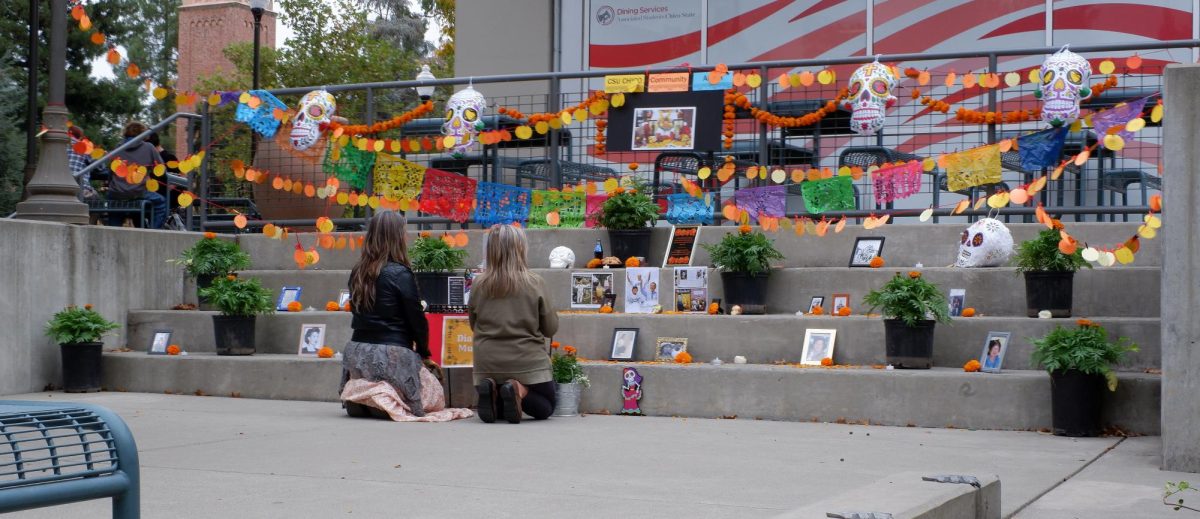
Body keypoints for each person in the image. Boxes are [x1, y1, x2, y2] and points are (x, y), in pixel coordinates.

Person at [340, 211, 471, 422]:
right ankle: (382, 399)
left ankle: (365, 398)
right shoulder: (400, 273)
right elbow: (416, 319)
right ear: (397, 237)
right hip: (392, 352)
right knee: (433, 396)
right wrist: (424, 352)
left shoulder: (358, 271)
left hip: (357, 351)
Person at [469, 224, 559, 424]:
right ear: (521, 249)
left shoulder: (478, 284)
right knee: (546, 407)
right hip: (527, 361)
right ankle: (518, 388)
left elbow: (473, 324)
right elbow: (550, 328)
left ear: (491, 251)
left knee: (503, 409)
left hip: (487, 361)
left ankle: (492, 389)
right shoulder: (535, 282)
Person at [107, 122, 167, 228]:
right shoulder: (149, 147)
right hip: (138, 192)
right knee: (161, 203)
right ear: (143, 134)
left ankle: (112, 233)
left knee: (114, 207)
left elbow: (111, 172)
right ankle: (152, 233)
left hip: (116, 193)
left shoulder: (118, 148)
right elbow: (161, 169)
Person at [67, 126, 97, 201]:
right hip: (81, 188)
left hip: (60, 185)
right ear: (80, 136)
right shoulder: (85, 147)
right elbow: (95, 165)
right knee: (96, 198)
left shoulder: (59, 145)